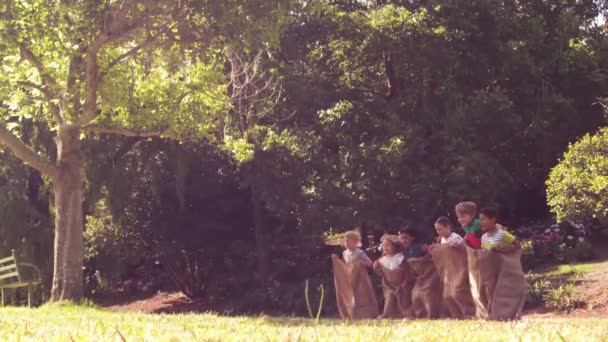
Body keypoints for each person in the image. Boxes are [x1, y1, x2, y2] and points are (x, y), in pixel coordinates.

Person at [332, 230, 378, 320]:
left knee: (360, 295)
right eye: (345, 241)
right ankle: (349, 313)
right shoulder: (345, 253)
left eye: (349, 241)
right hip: (349, 276)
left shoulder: (359, 252)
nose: (347, 243)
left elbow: (370, 263)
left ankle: (364, 313)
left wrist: (361, 263)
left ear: (356, 242)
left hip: (360, 278)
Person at [373, 235, 412, 318]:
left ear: (394, 247)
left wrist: (405, 282)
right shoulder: (382, 260)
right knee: (389, 300)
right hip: (389, 286)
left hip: (402, 285)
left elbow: (407, 272)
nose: (385, 248)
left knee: (404, 302)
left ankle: (406, 314)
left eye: (387, 245)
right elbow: (381, 274)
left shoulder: (400, 258)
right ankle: (387, 313)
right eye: (383, 246)